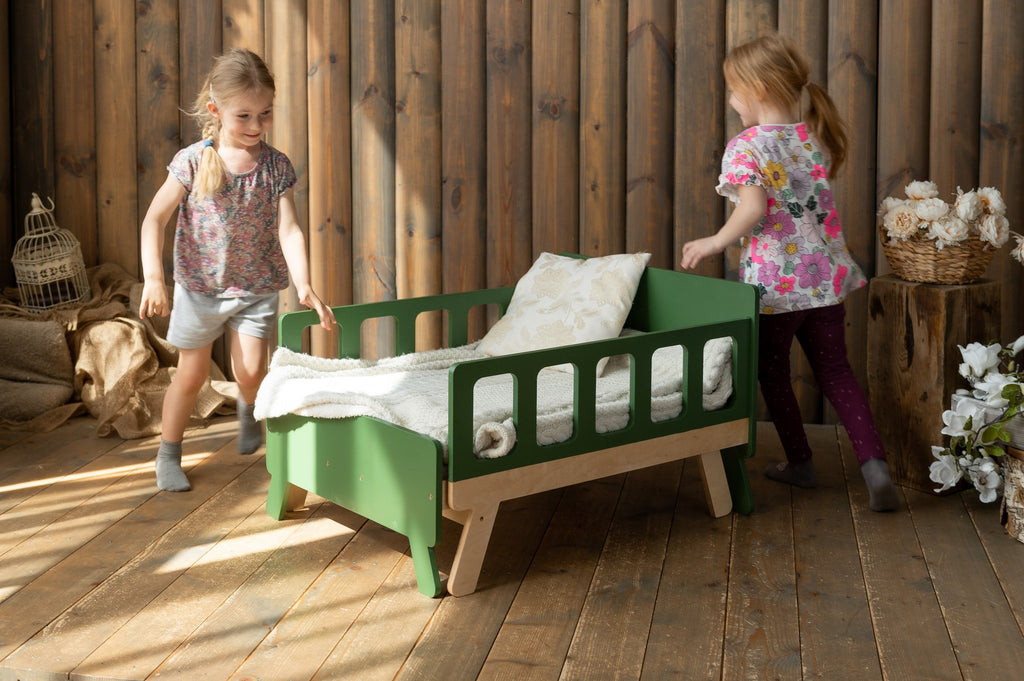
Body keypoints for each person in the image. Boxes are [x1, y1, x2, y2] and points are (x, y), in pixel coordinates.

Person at [680, 33, 899, 512]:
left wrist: (716, 241)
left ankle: (800, 462)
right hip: (825, 283)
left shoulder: (746, 147)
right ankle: (874, 465)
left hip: (775, 288)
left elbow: (754, 207)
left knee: (771, 371)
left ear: (758, 88)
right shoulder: (812, 138)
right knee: (837, 374)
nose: (732, 101)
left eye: (734, 90)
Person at [138, 48, 335, 492]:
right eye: (243, 116)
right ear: (216, 110)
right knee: (190, 376)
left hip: (255, 287)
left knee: (249, 373)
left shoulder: (275, 166)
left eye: (264, 114)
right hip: (199, 288)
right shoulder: (191, 161)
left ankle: (249, 409)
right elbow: (154, 219)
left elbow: (290, 229)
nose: (255, 126)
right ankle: (168, 453)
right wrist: (154, 278)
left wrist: (304, 283)